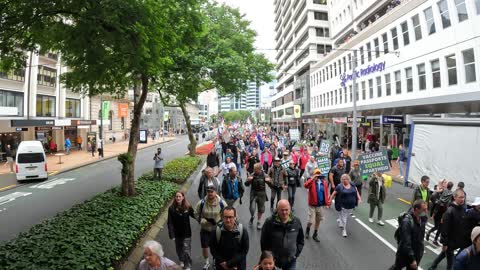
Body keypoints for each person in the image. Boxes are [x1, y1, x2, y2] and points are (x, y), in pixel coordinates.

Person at [428, 189, 471, 270]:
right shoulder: (450, 211)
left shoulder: (462, 208)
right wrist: (444, 243)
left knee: (443, 254)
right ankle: (433, 266)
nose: (462, 199)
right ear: (455, 197)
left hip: (456, 240)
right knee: (450, 263)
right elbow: (445, 229)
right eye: (460, 197)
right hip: (449, 241)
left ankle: (433, 266)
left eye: (463, 197)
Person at [260, 200, 304, 270]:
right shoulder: (269, 222)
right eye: (282, 210)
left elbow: (300, 240)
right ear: (277, 210)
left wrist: (296, 254)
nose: (284, 212)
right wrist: (268, 257)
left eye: (286, 210)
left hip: (291, 261)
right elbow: (264, 241)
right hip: (274, 262)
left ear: (290, 209)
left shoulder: (296, 222)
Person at [389, 200, 428, 270]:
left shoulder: (422, 218)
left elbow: (421, 236)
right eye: (424, 209)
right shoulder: (407, 222)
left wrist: (420, 249)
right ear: (416, 209)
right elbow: (406, 242)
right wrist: (412, 259)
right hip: (405, 253)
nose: (426, 211)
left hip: (417, 252)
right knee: (397, 267)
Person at [195, 186, 227, 270]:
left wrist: (222, 223)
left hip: (217, 229)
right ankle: (206, 262)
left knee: (216, 247)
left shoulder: (221, 203)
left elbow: (226, 214)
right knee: (205, 246)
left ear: (215, 192)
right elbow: (196, 214)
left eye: (212, 192)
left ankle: (215, 260)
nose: (210, 193)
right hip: (205, 229)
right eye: (208, 192)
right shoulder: (201, 203)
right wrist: (201, 220)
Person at [167, 192, 195, 270]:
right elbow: (170, 222)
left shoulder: (187, 207)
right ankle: (181, 260)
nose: (178, 198)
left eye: (180, 196)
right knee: (179, 249)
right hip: (177, 233)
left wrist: (203, 220)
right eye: (177, 196)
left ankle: (188, 265)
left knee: (186, 249)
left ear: (183, 197)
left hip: (186, 233)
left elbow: (195, 215)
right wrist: (171, 234)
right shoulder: (171, 209)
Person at [303, 169, 330, 242]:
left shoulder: (323, 183)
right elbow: (305, 185)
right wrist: (312, 179)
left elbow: (326, 193)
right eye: (316, 174)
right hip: (312, 205)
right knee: (311, 221)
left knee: (318, 220)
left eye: (319, 174)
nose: (318, 175)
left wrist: (327, 203)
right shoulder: (311, 182)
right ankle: (307, 230)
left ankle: (315, 234)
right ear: (314, 174)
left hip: (320, 205)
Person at [245, 163, 271, 230]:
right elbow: (246, 184)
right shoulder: (252, 174)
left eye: (255, 169)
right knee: (252, 208)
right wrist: (248, 180)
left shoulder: (264, 175)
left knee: (261, 209)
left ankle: (259, 221)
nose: (254, 170)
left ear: (259, 169)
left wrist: (269, 181)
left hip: (262, 194)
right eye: (254, 169)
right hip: (253, 193)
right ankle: (252, 216)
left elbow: (271, 185)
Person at [427, 181, 453, 246]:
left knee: (437, 226)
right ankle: (434, 238)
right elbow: (447, 206)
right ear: (452, 187)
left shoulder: (442, 191)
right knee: (440, 227)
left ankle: (430, 234)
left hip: (437, 211)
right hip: (443, 213)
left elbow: (434, 196)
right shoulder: (451, 194)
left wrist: (432, 215)